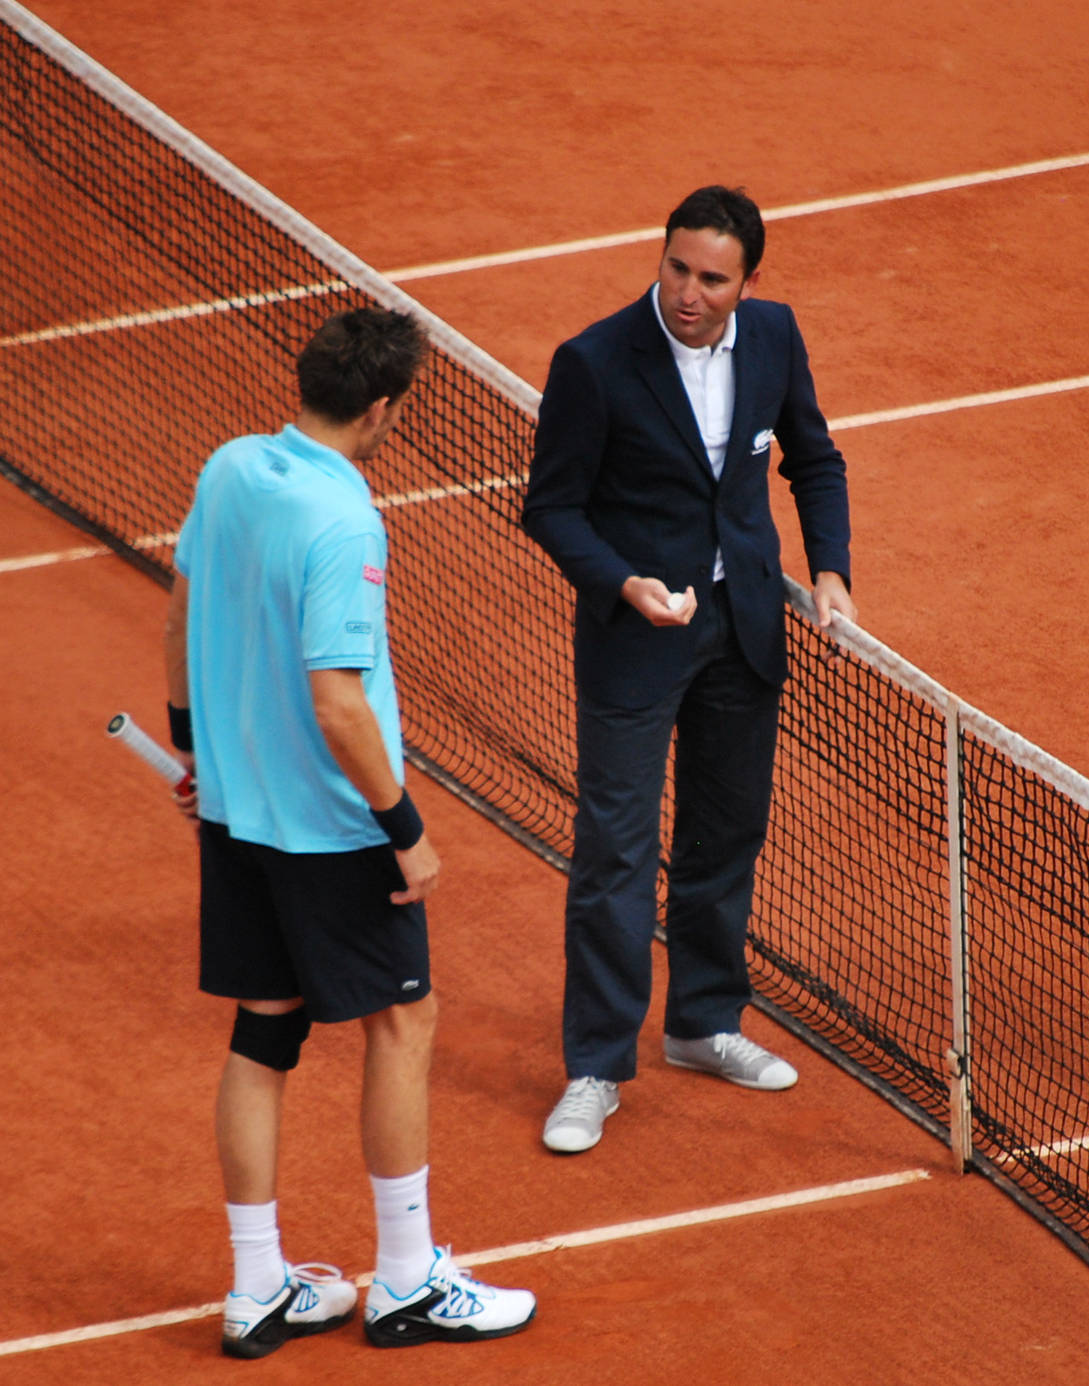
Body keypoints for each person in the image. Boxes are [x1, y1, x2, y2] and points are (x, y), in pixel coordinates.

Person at [165, 308, 536, 1355]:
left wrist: (195, 747)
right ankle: (410, 1282)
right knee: (401, 1026)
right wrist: (405, 827)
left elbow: (180, 605)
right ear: (381, 409)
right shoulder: (344, 520)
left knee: (264, 1029)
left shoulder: (231, 465)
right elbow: (338, 703)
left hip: (237, 815)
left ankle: (256, 1290)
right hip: (331, 831)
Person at [523, 185, 855, 1155]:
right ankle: (594, 1064)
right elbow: (552, 508)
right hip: (636, 634)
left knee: (724, 834)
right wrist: (623, 582)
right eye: (676, 269)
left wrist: (829, 570)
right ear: (659, 258)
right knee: (616, 853)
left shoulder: (776, 338)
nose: (689, 293)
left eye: (713, 278)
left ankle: (703, 1024)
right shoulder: (594, 363)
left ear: (749, 283)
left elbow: (814, 458)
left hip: (741, 624)